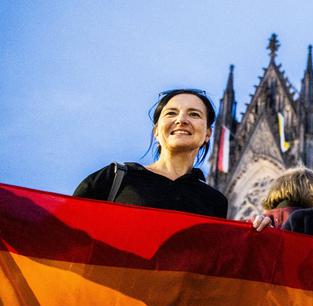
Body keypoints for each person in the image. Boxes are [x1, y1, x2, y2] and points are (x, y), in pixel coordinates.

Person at [74, 89, 228, 218]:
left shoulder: (215, 201)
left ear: (208, 134)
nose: (181, 120)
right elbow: (63, 232)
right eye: (171, 113)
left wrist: (249, 235)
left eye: (194, 114)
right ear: (156, 131)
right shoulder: (114, 178)